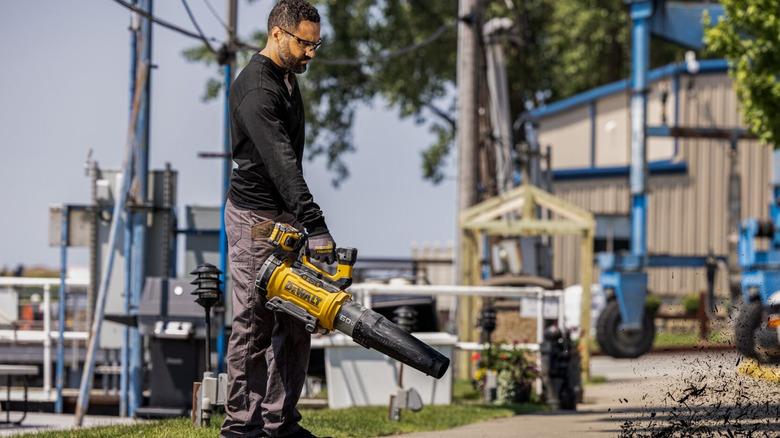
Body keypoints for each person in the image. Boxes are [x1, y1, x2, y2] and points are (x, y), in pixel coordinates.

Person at [221, 1, 335, 437]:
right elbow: (282, 164)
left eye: (316, 44)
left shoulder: (287, 76)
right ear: (277, 34)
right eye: (304, 44)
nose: (311, 53)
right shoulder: (257, 90)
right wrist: (316, 225)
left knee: (297, 319)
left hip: (284, 219)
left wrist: (300, 220)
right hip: (255, 221)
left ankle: (280, 424)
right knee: (255, 325)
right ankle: (241, 428)